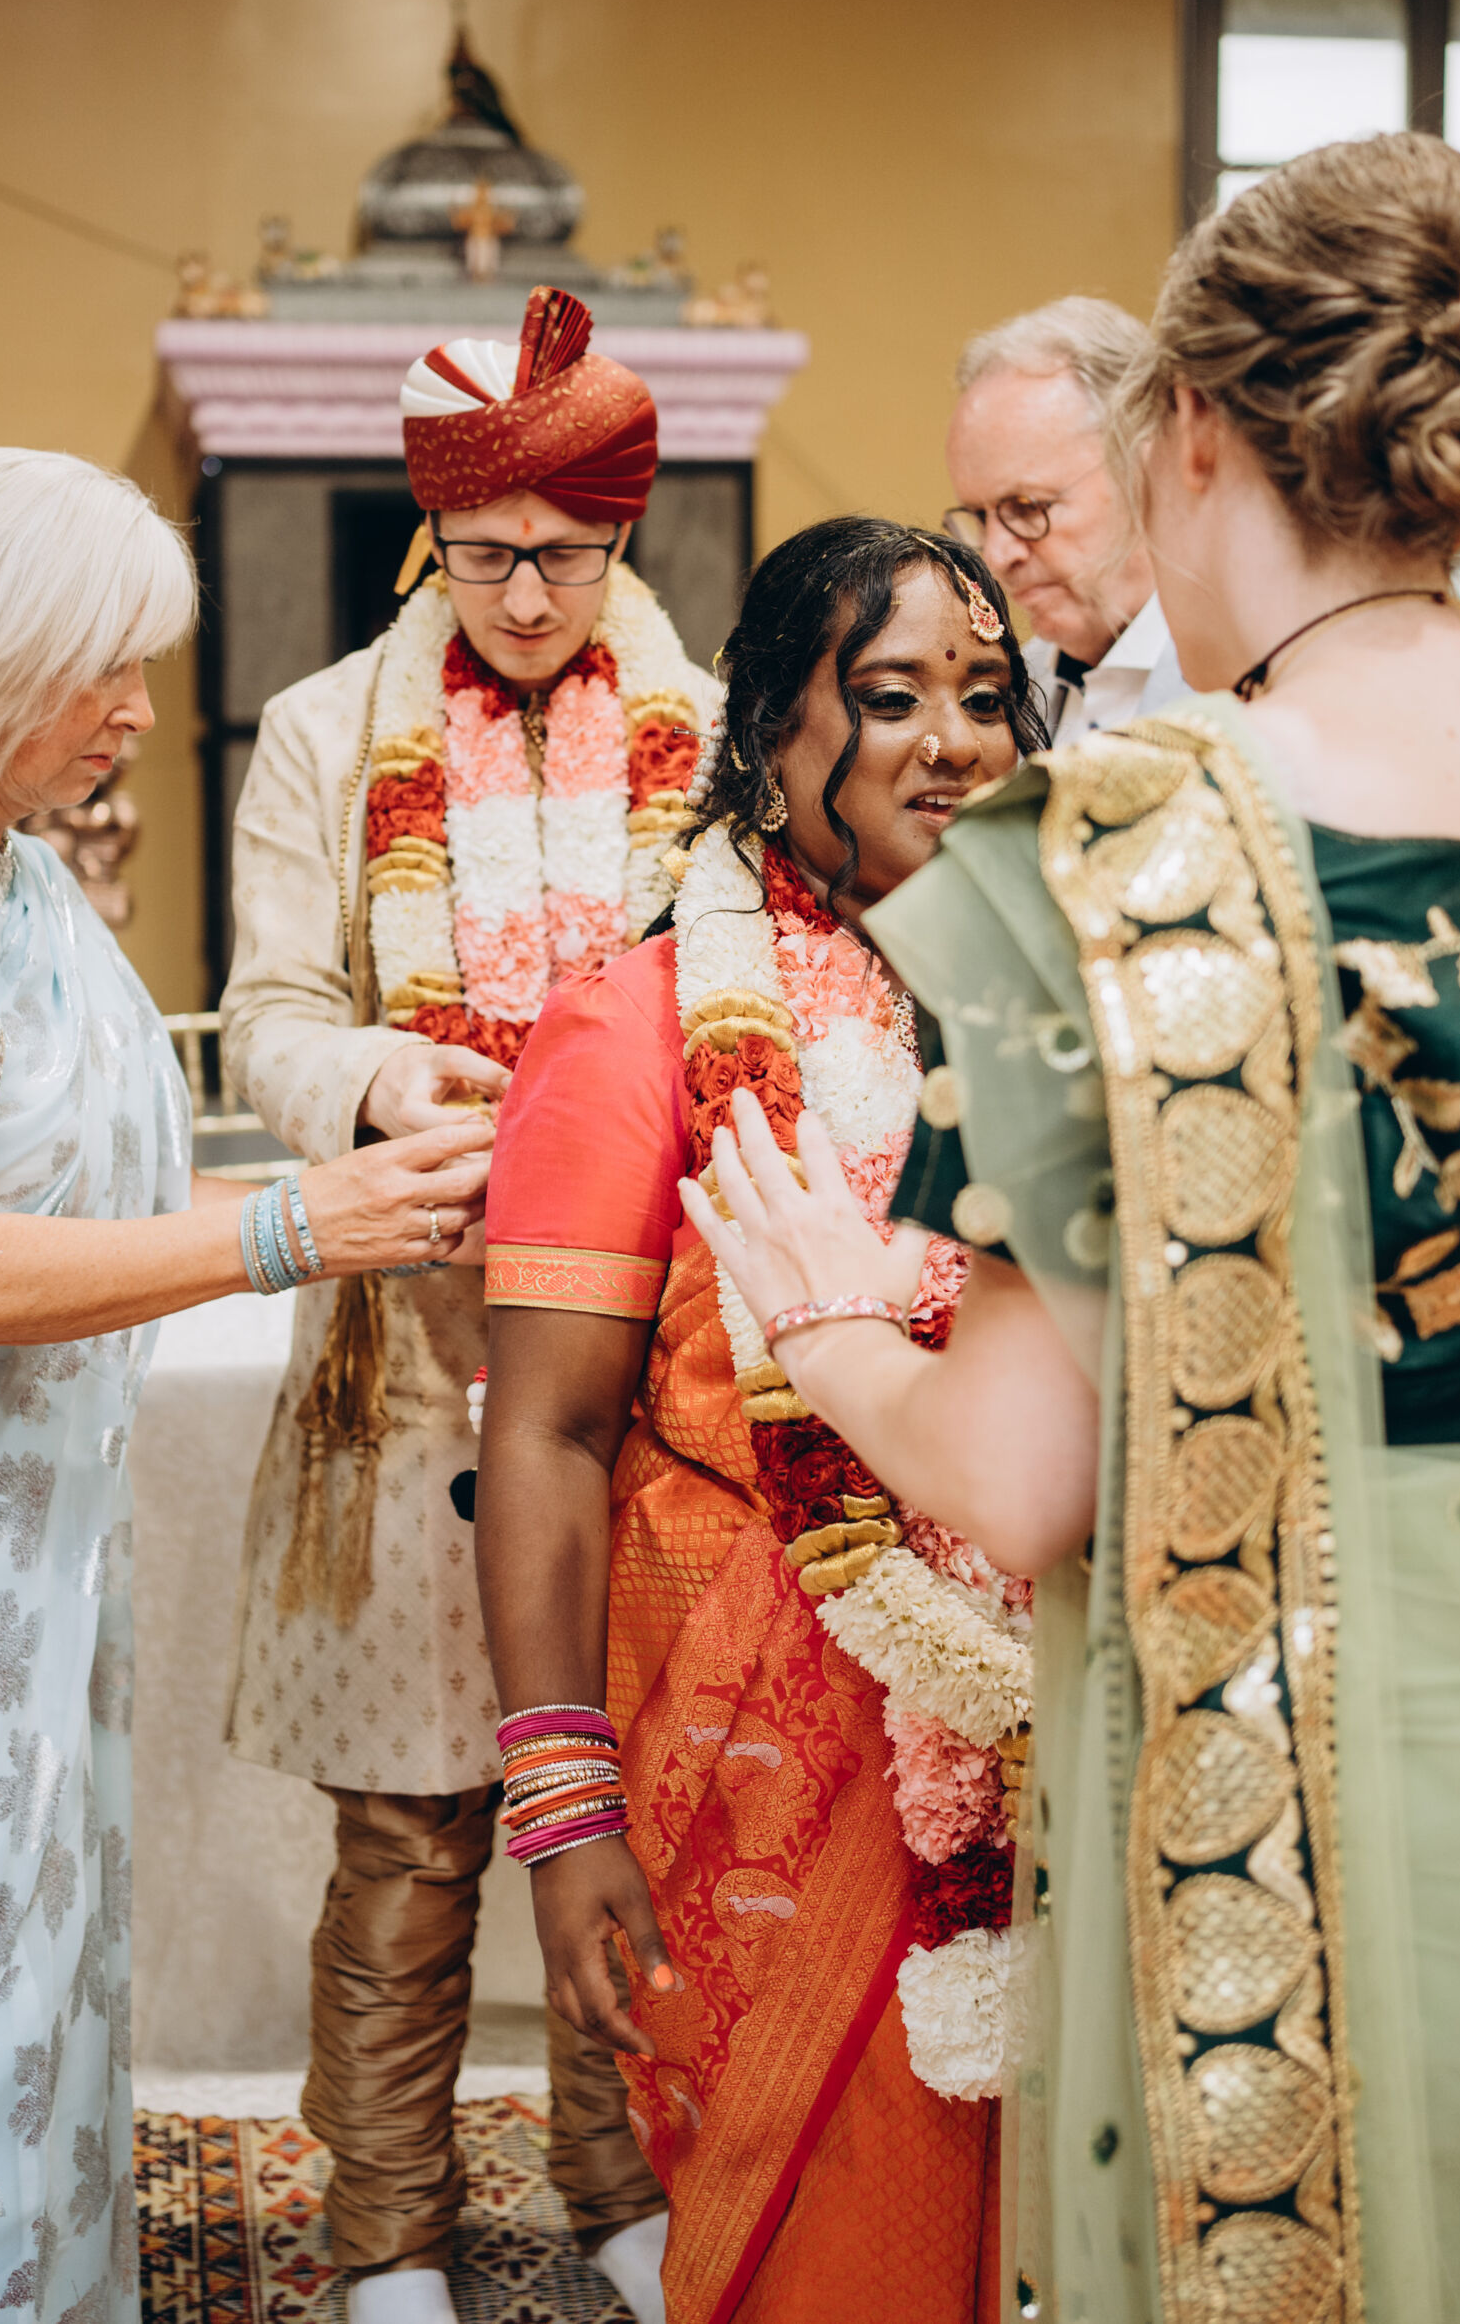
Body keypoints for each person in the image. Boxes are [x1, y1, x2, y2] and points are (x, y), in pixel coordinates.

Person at [684, 134, 1460, 2324]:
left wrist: (825, 1322)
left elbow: (1026, 1475)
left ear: (1190, 430)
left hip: (1298, 1799)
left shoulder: (1119, 849)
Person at [0, 447, 491, 2324]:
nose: (140, 711)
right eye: (105, 668)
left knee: (10, 2028)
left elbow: (97, 1209)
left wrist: (376, 1168)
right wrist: (296, 1229)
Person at [475, 518, 1048, 2324]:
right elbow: (546, 1435)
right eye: (889, 694)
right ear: (767, 731)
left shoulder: (1053, 1012)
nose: (951, 741)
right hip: (755, 1759)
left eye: (986, 695)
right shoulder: (634, 1024)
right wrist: (565, 1812)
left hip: (1046, 1725)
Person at [219, 285, 714, 2324]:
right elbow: (268, 1014)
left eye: (571, 556)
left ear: (622, 539)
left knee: (639, 1807)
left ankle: (624, 2183)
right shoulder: (326, 730)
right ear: (434, 530)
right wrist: (373, 1080)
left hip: (643, 1362)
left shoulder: (705, 732)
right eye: (492, 551)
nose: (527, 594)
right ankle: (386, 2237)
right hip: (414, 1360)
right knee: (416, 1843)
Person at [946, 296, 1182, 739]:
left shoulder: (1244, 678)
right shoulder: (1008, 695)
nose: (997, 557)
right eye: (980, 516)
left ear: (1146, 465)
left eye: (1027, 507)